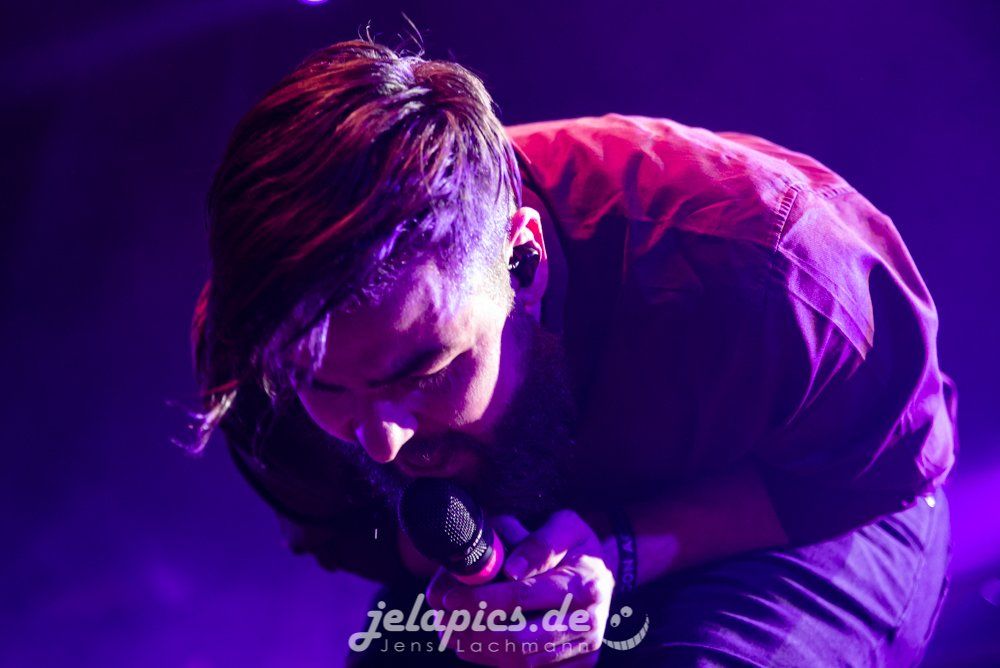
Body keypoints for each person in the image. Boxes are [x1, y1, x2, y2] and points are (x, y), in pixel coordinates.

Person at [187, 38, 957, 666]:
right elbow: (362, 531)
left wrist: (622, 550)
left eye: (423, 372)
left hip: (814, 508)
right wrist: (487, 581)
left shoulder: (774, 264)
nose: (381, 439)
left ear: (523, 263)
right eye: (328, 388)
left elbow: (886, 467)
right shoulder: (256, 366)